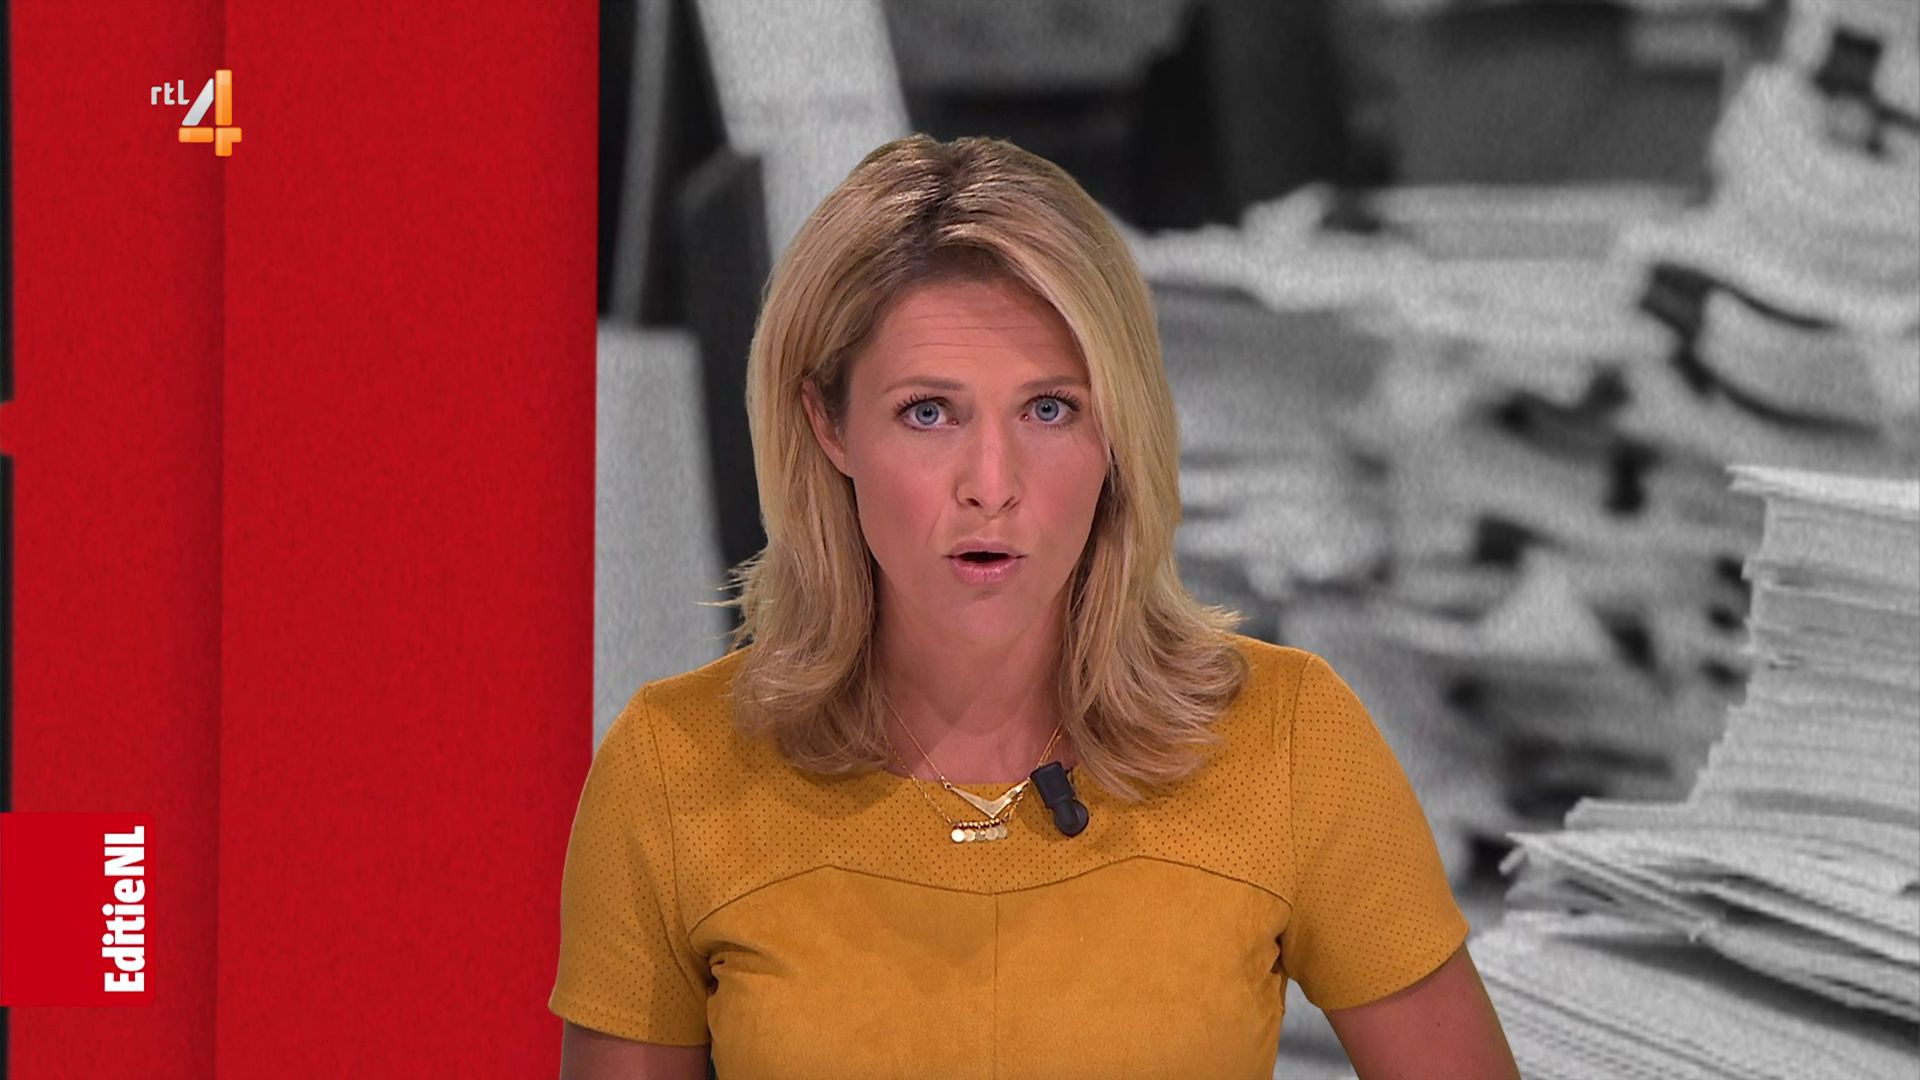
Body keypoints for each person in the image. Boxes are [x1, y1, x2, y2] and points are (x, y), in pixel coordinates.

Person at [550, 133, 1519, 1079]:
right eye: (928, 413)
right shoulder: (672, 774)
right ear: (830, 427)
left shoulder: (1293, 742)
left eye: (1049, 410)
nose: (992, 485)